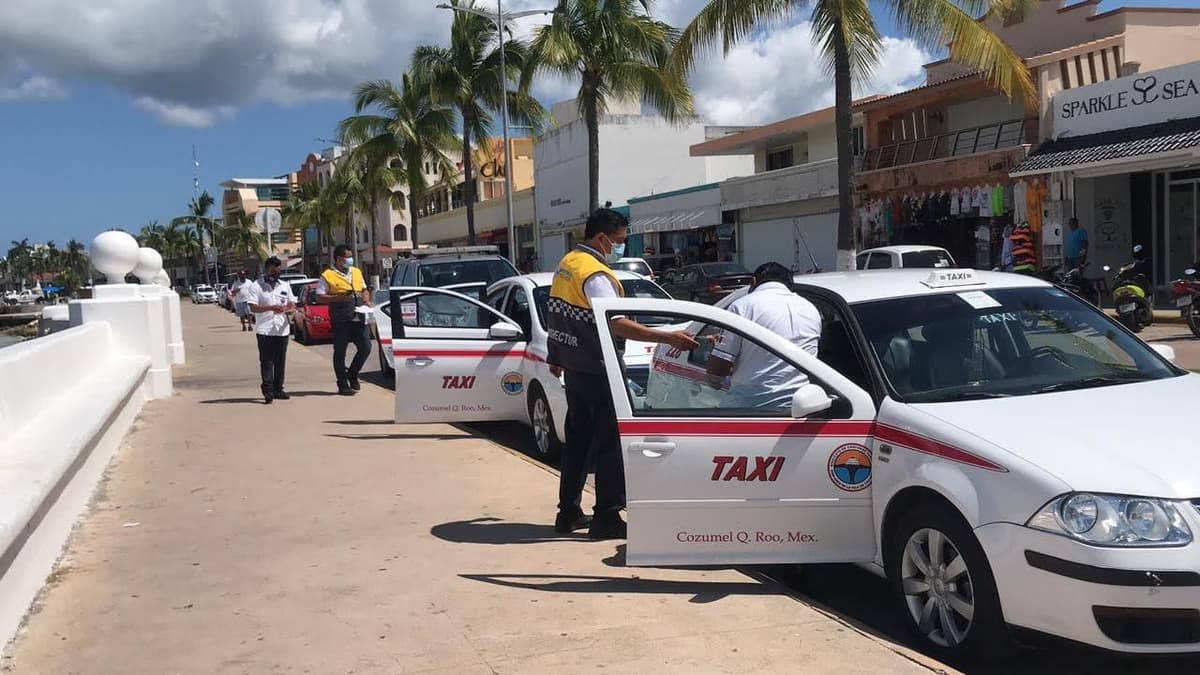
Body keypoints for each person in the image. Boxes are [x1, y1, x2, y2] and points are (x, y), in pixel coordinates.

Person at [546, 208, 698, 540]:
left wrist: (555, 355)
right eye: (619, 241)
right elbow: (617, 323)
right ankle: (608, 517)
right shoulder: (595, 275)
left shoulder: (567, 264)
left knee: (578, 443)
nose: (621, 247)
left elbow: (557, 314)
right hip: (600, 369)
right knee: (611, 444)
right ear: (601, 238)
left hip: (575, 367)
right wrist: (668, 337)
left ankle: (568, 512)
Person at [705, 262, 822, 408]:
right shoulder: (810, 309)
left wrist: (714, 378)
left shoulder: (742, 306)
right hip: (800, 406)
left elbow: (716, 373)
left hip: (751, 408)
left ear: (753, 281)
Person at [316, 244, 372, 395]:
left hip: (359, 318)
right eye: (348, 257)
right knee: (340, 353)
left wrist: (366, 301)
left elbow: (364, 289)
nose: (350, 260)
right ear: (339, 259)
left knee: (366, 347)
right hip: (341, 320)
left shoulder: (356, 272)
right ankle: (342, 384)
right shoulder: (327, 275)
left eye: (350, 257)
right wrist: (339, 297)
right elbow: (319, 296)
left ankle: (352, 374)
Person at [245, 257, 297, 404]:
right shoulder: (256, 286)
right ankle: (268, 390)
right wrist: (270, 308)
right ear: (268, 269)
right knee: (267, 361)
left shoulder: (284, 285)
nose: (278, 272)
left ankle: (278, 389)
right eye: (275, 269)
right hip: (265, 330)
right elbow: (252, 307)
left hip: (282, 329)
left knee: (280, 361)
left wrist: (290, 309)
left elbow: (292, 303)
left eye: (279, 269)